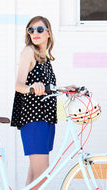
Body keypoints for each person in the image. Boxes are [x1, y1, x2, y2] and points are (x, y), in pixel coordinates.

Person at [10, 16, 75, 188]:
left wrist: (64, 88)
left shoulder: (44, 58)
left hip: (46, 120)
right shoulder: (28, 51)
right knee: (43, 177)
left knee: (34, 179)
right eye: (31, 30)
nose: (35, 33)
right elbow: (18, 85)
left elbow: (47, 87)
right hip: (34, 120)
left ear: (48, 33)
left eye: (39, 29)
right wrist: (32, 87)